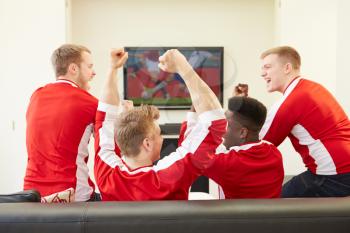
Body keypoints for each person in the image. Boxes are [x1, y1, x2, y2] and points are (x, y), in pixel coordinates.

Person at [94, 48, 226, 201]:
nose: (162, 138)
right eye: (159, 134)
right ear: (147, 143)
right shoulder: (168, 176)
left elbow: (104, 119)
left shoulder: (106, 174)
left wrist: (112, 69)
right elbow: (215, 123)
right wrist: (183, 66)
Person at [259, 45, 350, 197]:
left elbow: (258, 145)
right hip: (341, 168)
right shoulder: (313, 87)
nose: (262, 73)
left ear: (287, 68)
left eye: (267, 67)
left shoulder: (290, 101)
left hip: (334, 174)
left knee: (275, 204)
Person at [24, 44, 100, 202]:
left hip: (32, 197)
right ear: (73, 68)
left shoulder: (36, 97)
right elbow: (107, 153)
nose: (93, 73)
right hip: (71, 197)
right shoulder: (90, 102)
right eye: (89, 67)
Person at [179, 94, 284, 198]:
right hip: (271, 214)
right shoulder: (274, 153)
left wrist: (193, 111)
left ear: (242, 132)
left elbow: (187, 149)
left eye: (226, 124)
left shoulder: (227, 164)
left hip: (232, 215)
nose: (221, 129)